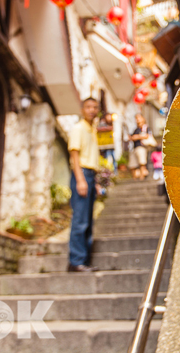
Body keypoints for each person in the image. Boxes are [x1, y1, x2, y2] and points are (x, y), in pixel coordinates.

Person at [67, 97, 100, 272]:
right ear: (82, 109)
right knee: (80, 220)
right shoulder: (78, 128)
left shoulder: (92, 130)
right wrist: (80, 179)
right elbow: (74, 155)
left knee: (87, 220)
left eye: (95, 107)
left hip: (90, 176)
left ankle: (84, 261)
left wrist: (93, 182)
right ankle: (76, 261)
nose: (92, 110)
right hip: (81, 174)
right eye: (88, 107)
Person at [129, 114, 151, 180]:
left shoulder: (145, 127)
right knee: (132, 164)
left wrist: (137, 137)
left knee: (142, 162)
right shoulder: (136, 129)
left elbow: (147, 135)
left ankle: (142, 177)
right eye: (136, 118)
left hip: (141, 147)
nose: (137, 120)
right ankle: (134, 178)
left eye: (139, 118)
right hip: (134, 148)